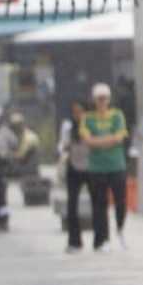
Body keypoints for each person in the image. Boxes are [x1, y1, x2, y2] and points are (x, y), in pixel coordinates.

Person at [81, 82, 130, 251]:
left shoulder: (117, 115)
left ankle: (121, 229)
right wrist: (108, 139)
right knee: (99, 204)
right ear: (94, 100)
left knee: (121, 202)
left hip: (117, 165)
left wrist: (98, 141)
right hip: (97, 168)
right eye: (99, 98)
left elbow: (119, 138)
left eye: (105, 98)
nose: (102, 101)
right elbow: (88, 141)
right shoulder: (88, 118)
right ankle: (102, 239)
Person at [0, 112, 37, 234]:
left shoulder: (6, 132)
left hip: (1, 170)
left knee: (1, 198)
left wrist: (4, 153)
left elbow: (15, 144)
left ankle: (4, 220)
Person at [60, 100, 92, 252]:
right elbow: (61, 145)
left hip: (91, 166)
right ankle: (74, 240)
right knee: (72, 204)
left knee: (98, 203)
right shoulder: (68, 127)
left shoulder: (92, 125)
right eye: (75, 112)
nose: (78, 115)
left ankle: (101, 239)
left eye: (80, 111)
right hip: (73, 166)